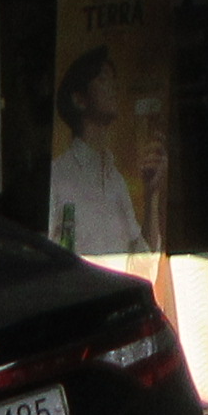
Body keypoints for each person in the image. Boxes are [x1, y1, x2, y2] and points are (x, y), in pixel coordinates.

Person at [49, 45, 152, 257]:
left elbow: (142, 254)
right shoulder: (57, 176)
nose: (114, 86)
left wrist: (153, 196)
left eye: (114, 79)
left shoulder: (116, 180)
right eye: (103, 79)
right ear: (79, 99)